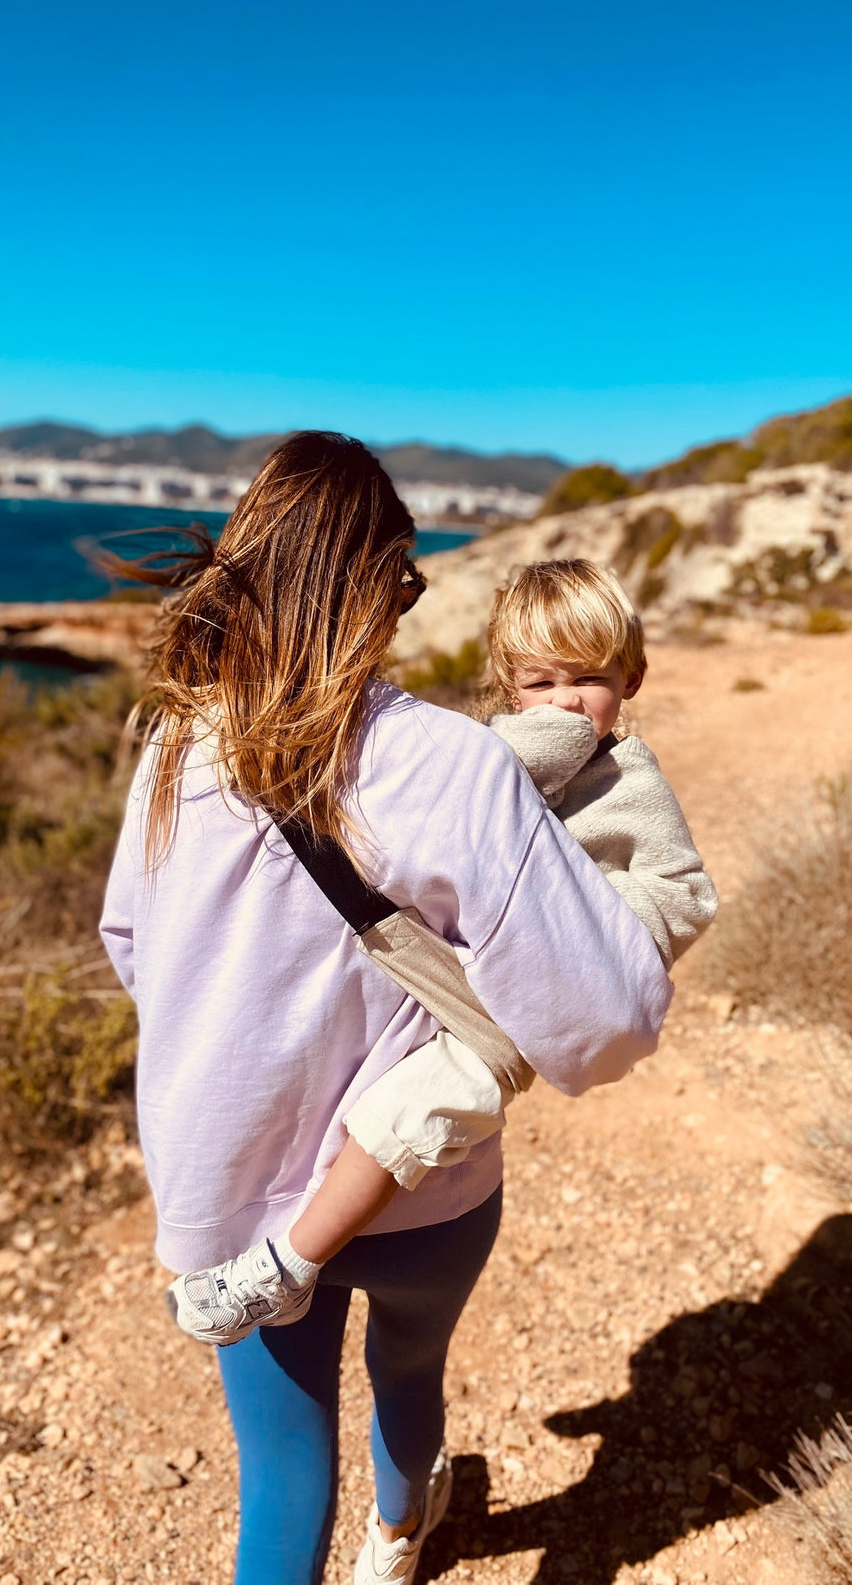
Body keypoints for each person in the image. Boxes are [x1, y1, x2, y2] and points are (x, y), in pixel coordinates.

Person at [100, 433, 674, 1585]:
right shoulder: (451, 762)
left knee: (277, 1472)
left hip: (240, 1191)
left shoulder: (175, 743)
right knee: (410, 1375)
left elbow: (128, 943)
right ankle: (400, 1538)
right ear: (383, 583)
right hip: (428, 1193)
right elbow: (603, 1017)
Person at [168, 558, 717, 1348]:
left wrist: (597, 929)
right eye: (540, 682)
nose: (565, 700)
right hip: (449, 968)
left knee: (407, 1111)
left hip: (529, 1006)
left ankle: (287, 1264)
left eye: (590, 678)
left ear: (633, 677)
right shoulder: (477, 749)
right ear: (506, 681)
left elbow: (683, 891)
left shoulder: (631, 781)